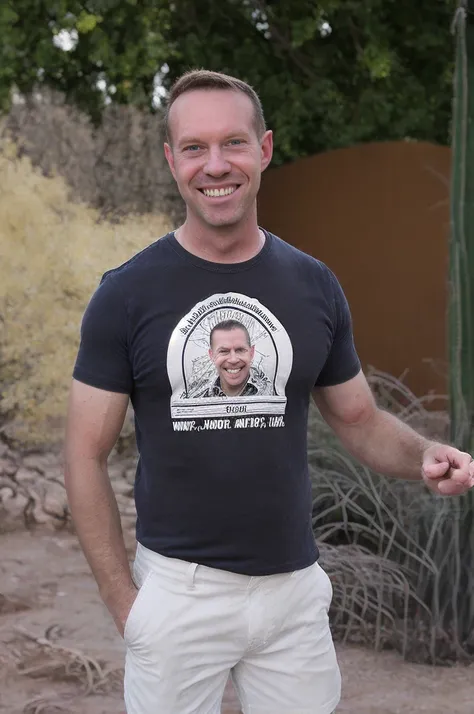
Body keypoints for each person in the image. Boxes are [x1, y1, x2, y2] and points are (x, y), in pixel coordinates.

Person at [64, 69, 474, 714]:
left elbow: (360, 420)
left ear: (265, 150)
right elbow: (84, 454)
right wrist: (127, 604)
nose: (215, 164)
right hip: (180, 594)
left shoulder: (314, 286)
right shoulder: (126, 294)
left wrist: (422, 455)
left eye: (233, 143)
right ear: (172, 161)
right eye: (194, 148)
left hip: (293, 596)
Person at [198, 319, 273, 397]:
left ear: (251, 352)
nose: (233, 360)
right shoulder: (198, 400)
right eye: (223, 351)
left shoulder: (272, 393)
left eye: (240, 350)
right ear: (212, 355)